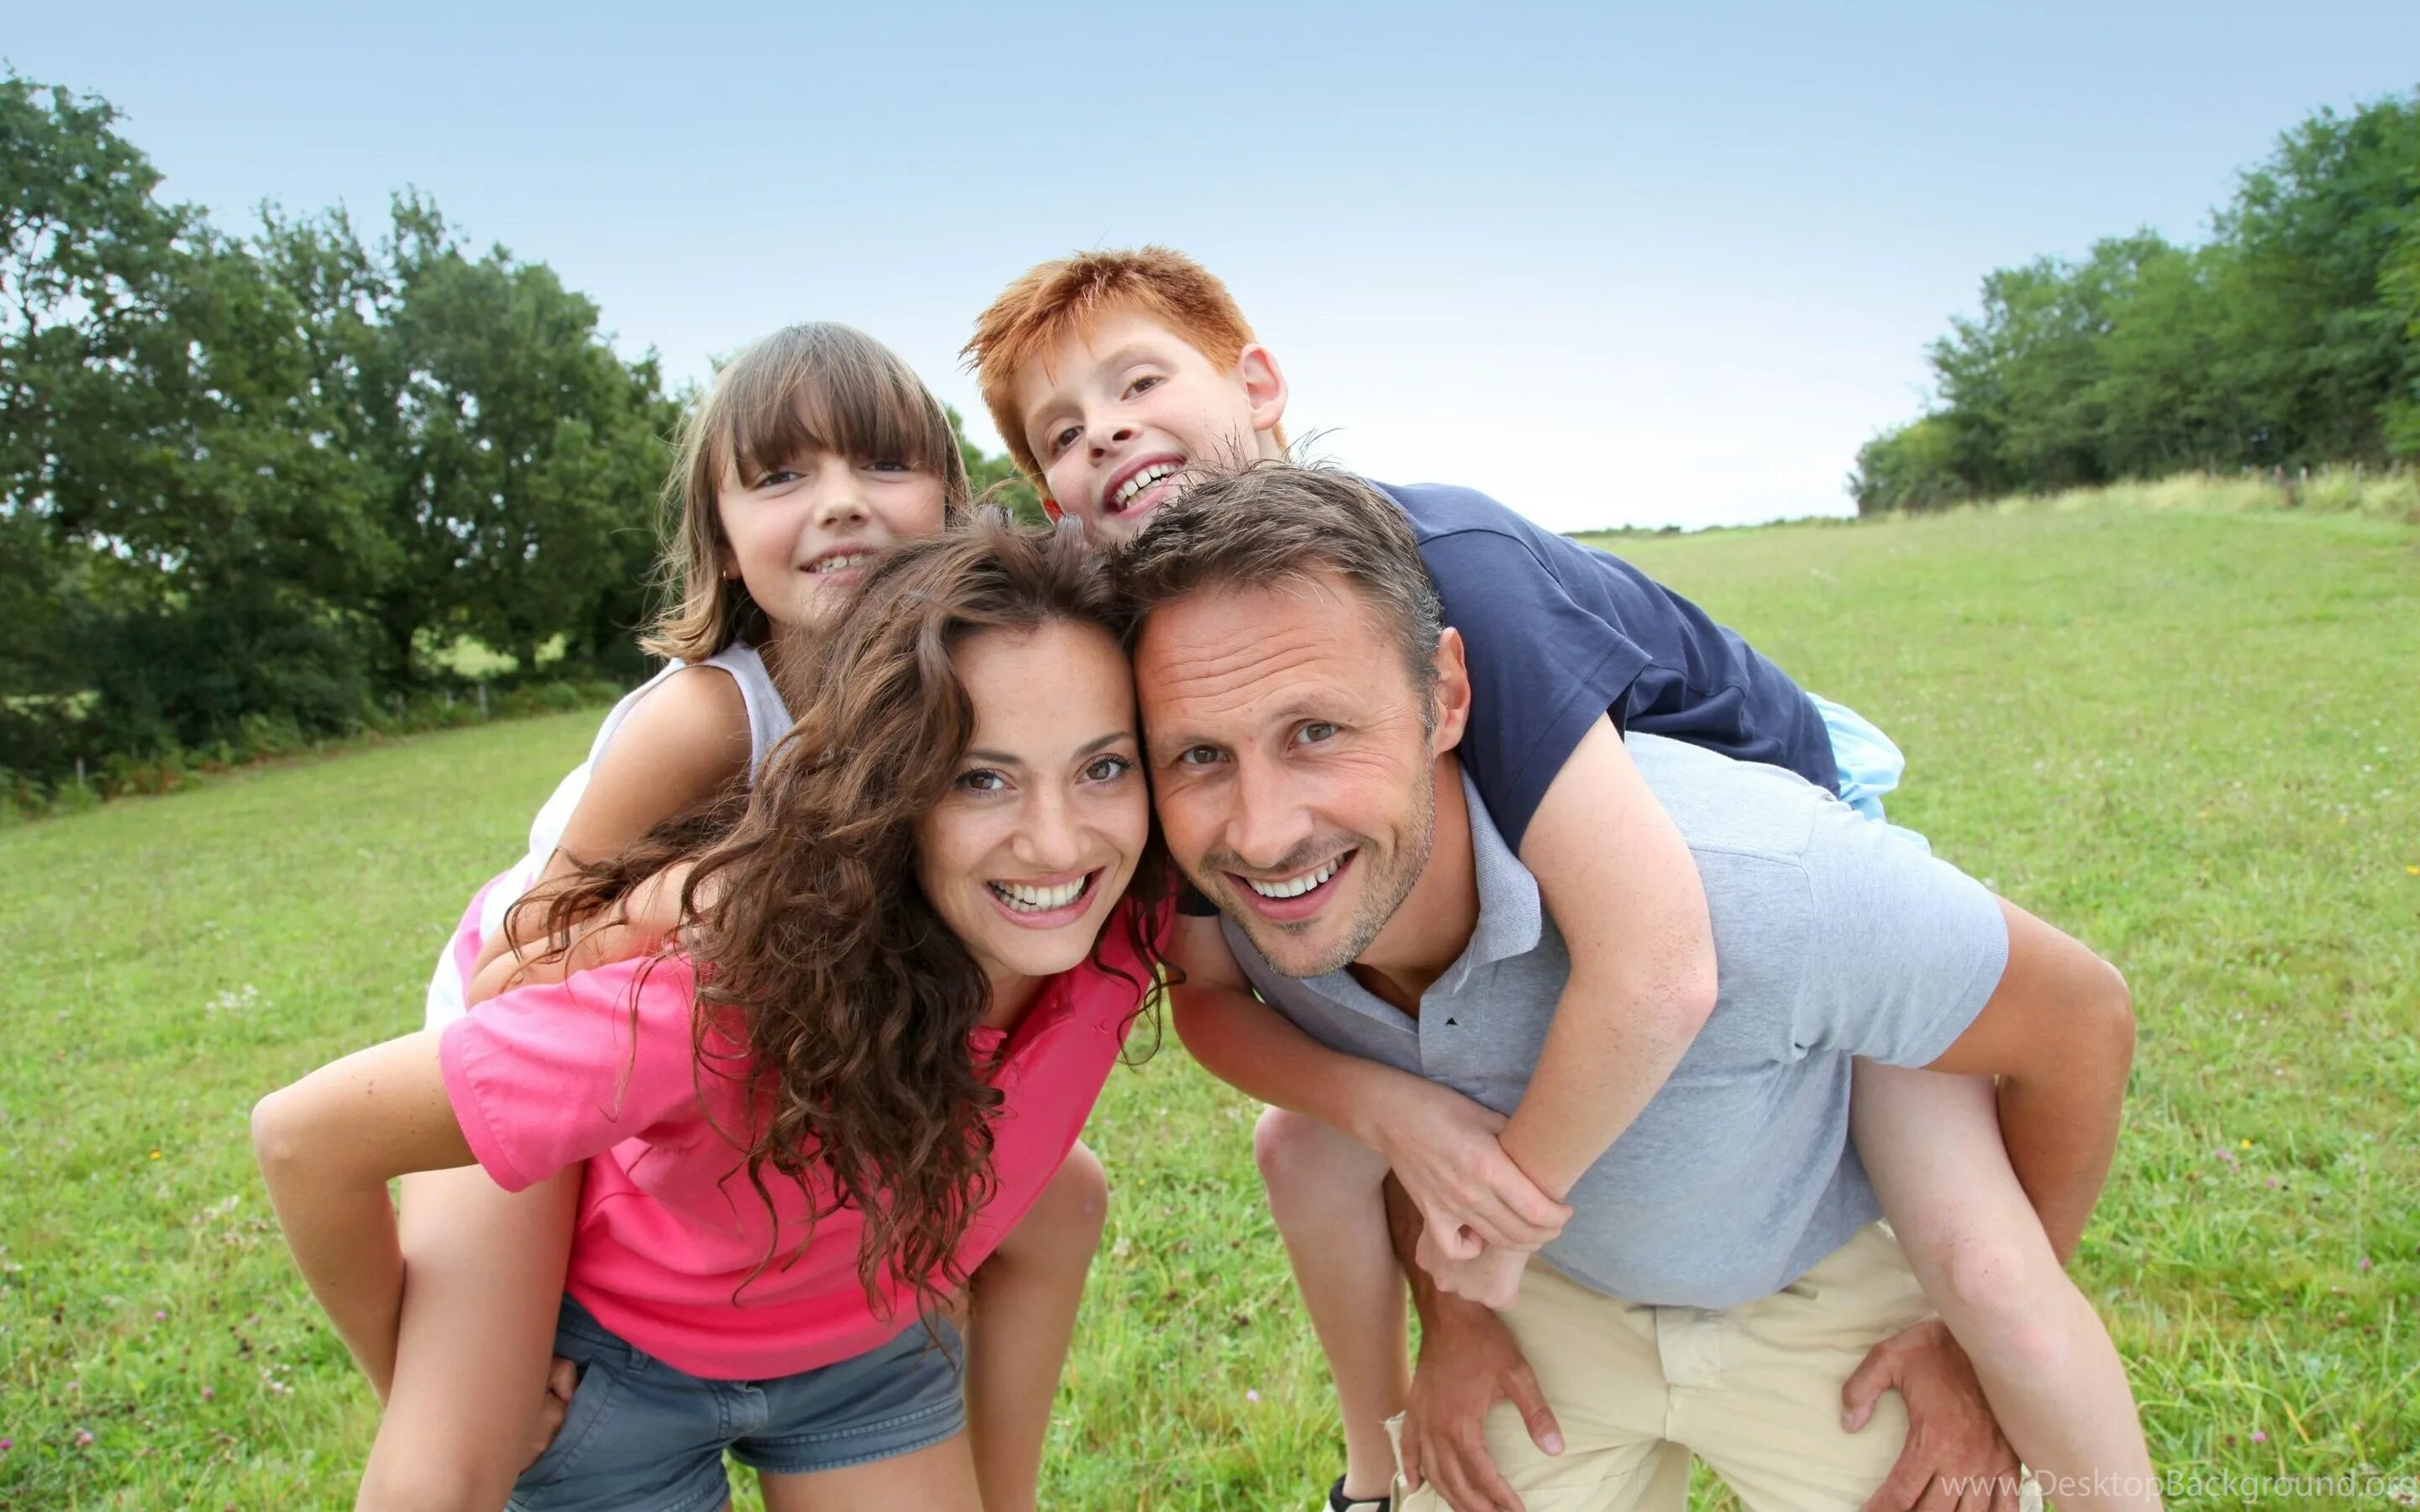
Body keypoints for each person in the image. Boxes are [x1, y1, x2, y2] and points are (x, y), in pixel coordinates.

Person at [967, 250, 2153, 1509]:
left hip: (1774, 857)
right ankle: (1373, 1469)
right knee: (1308, 1143)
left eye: (1139, 381)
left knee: (1987, 1272)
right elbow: (1214, 988)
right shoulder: (1166, 667)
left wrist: (1485, 1234)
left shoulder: (1447, 567)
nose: (1109, 432)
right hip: (1587, 919)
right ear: (1051, 497)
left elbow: (1660, 959)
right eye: (1064, 431)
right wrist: (1395, 1119)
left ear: (1259, 383)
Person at [255, 516, 1170, 1512]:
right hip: (622, 1380)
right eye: (979, 778)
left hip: (864, 1360)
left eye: (1104, 767)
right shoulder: (727, 997)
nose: (1056, 839)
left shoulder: (1126, 913)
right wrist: (415, 1380)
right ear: (886, 793)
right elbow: (307, 1138)